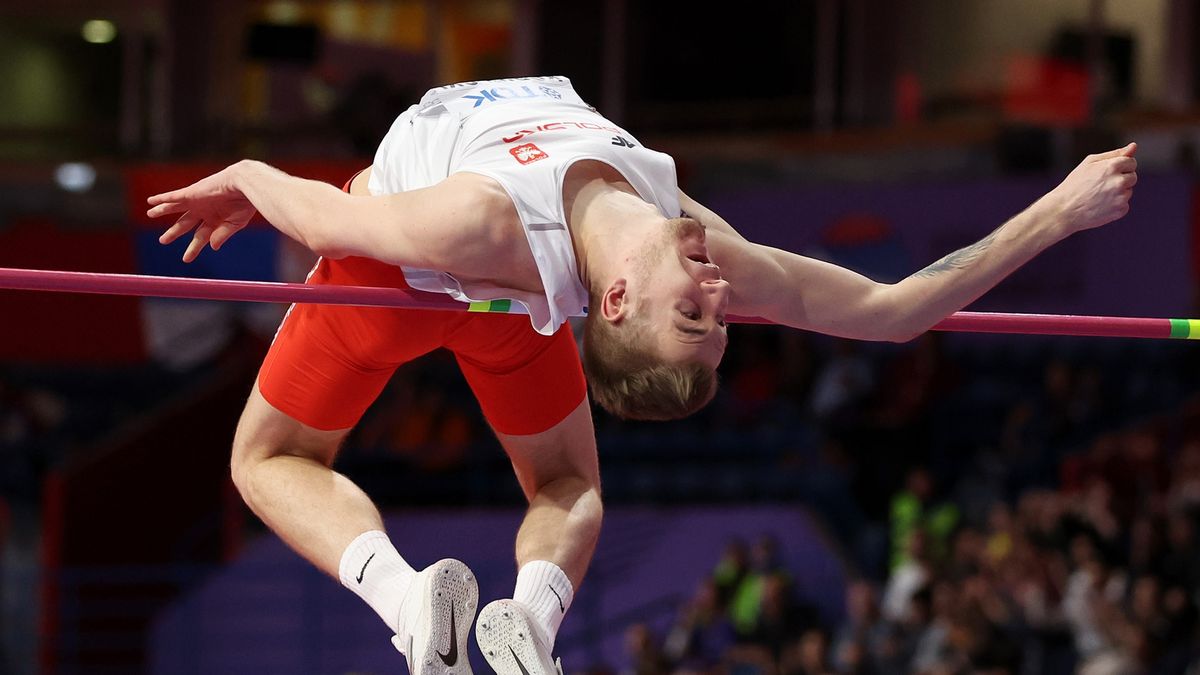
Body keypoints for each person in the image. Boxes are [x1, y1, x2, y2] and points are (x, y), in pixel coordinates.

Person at [146, 75, 1137, 675]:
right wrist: (1064, 206)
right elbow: (893, 311)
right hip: (515, 295)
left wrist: (243, 175)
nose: (715, 288)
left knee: (265, 458)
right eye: (719, 320)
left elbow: (321, 220)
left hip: (403, 277)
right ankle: (522, 620)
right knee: (570, 485)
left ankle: (413, 609)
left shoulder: (475, 223)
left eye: (692, 312)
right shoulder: (702, 241)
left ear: (616, 304)